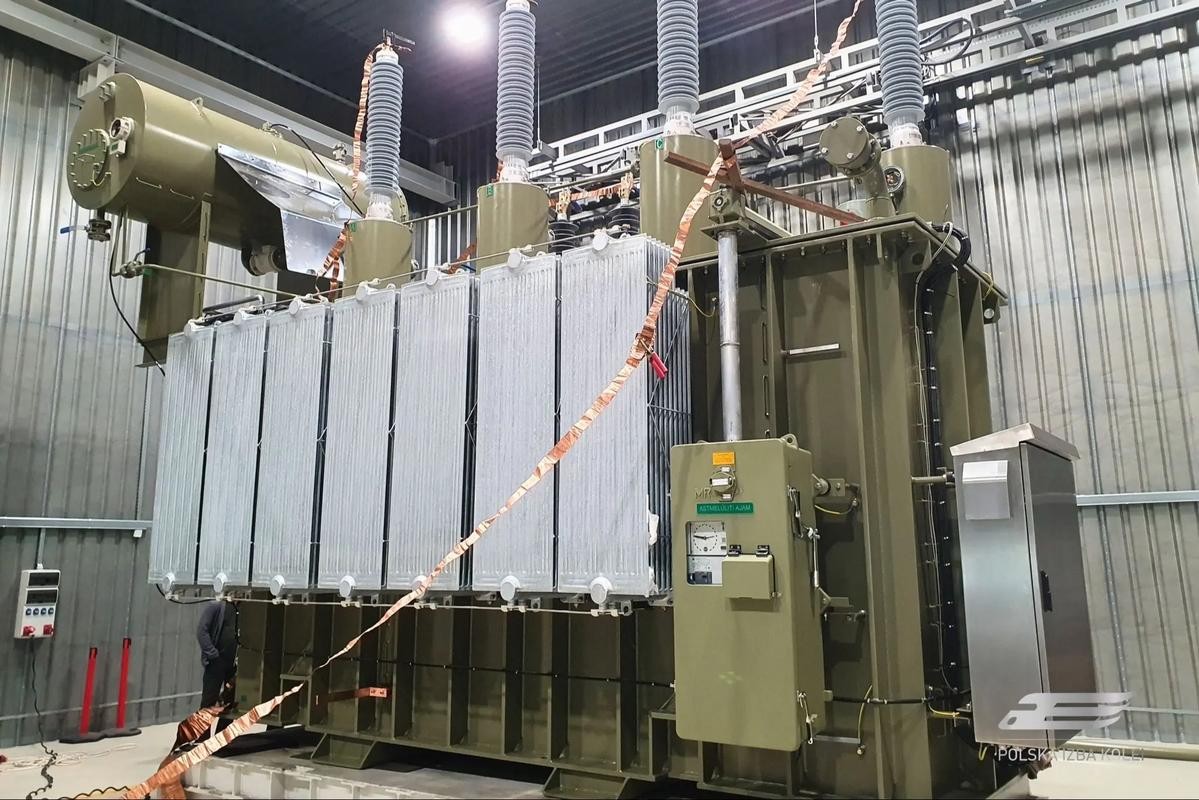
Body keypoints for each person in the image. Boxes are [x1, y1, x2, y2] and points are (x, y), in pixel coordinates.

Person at [196, 600, 238, 708]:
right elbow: (202, 631)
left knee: (230, 702)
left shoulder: (243, 608)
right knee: (208, 702)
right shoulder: (216, 605)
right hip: (216, 661)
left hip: (234, 663)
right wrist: (212, 653)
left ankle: (225, 720)